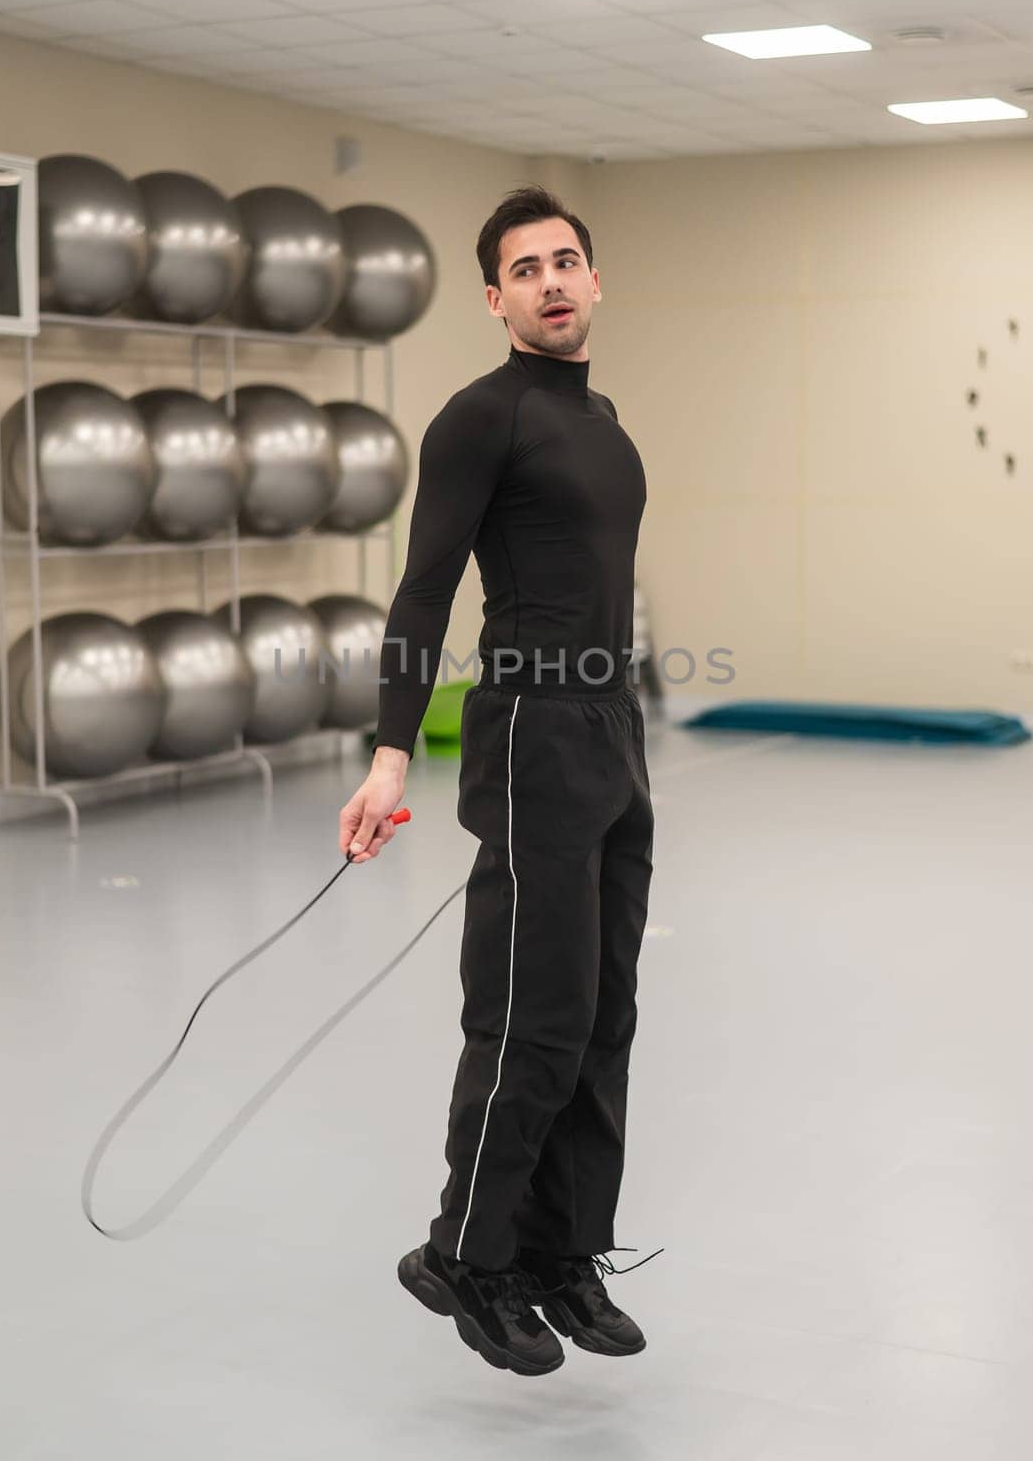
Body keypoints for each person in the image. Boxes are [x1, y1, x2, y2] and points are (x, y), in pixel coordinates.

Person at [338, 185, 655, 1376]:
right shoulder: (481, 418)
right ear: (494, 299)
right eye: (525, 270)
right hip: (527, 728)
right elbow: (423, 591)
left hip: (610, 725)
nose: (552, 281)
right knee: (529, 1016)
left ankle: (559, 1249)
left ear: (593, 278)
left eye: (567, 260)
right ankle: (464, 1256)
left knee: (602, 1015)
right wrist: (386, 754)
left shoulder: (603, 415)